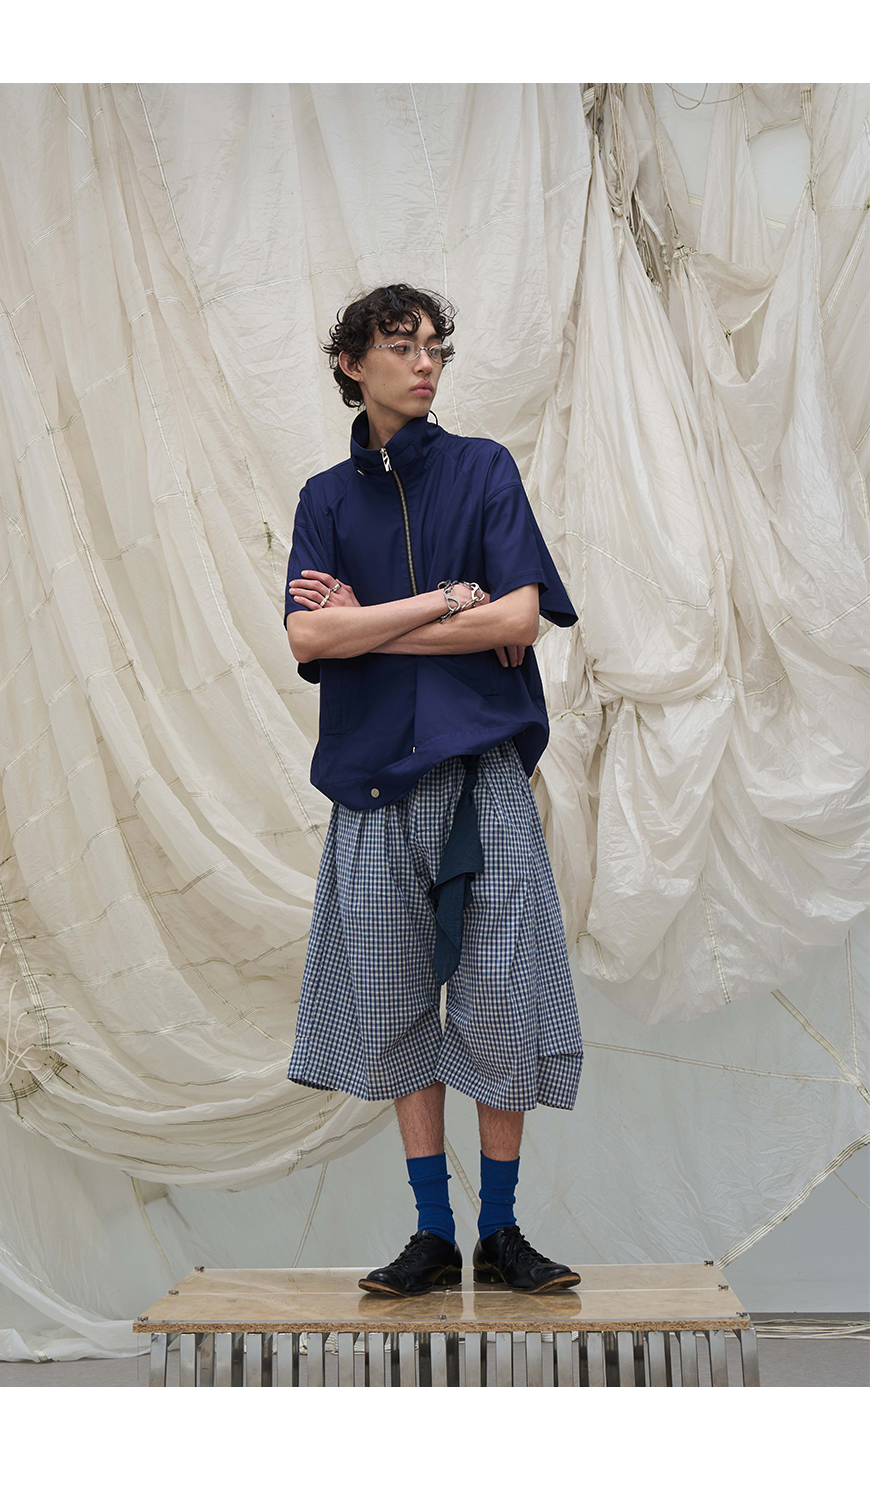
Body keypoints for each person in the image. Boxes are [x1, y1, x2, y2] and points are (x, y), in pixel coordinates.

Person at [283, 282, 584, 1296]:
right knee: (393, 1002)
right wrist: (446, 603)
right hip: (371, 783)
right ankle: (431, 1234)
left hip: (481, 776)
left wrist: (369, 626)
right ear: (350, 364)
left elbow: (518, 621)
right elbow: (307, 637)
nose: (424, 365)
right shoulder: (326, 499)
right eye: (401, 346)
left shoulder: (482, 469)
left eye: (435, 349)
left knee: (502, 999)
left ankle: (499, 1231)